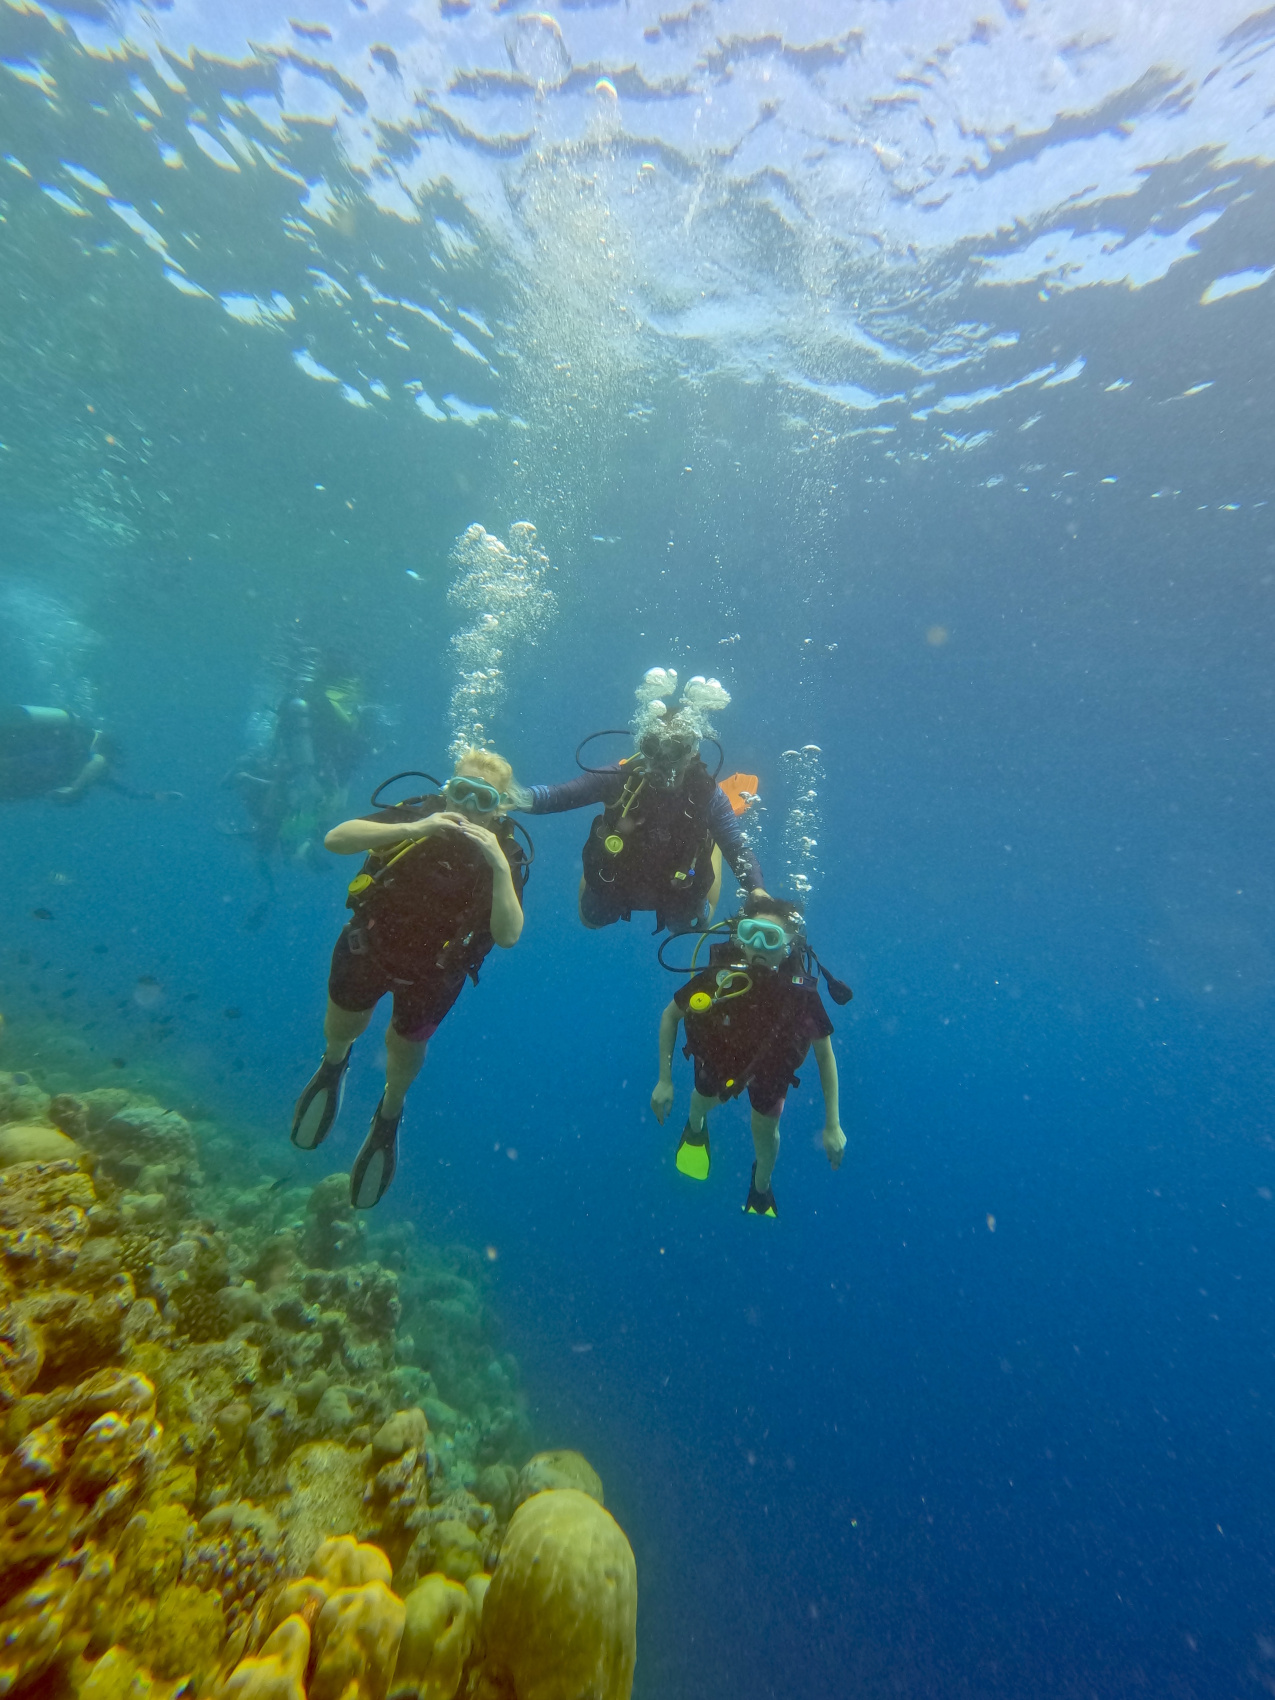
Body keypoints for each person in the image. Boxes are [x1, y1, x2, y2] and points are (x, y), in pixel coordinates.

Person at [290, 748, 528, 1210]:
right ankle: (333, 1064)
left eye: (483, 800)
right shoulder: (419, 812)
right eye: (461, 793)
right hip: (369, 947)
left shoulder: (508, 853)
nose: (466, 809)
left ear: (499, 808)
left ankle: (389, 1113)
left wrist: (499, 864)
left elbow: (509, 935)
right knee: (343, 1026)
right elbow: (336, 839)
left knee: (403, 1049)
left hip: (435, 975)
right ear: (447, 789)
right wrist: (414, 828)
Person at [521, 668, 767, 934]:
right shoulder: (620, 778)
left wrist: (757, 890)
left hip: (681, 876)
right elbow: (562, 795)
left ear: (692, 752)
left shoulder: (707, 794)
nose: (662, 761)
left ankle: (712, 837)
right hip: (621, 871)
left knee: (689, 926)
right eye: (652, 748)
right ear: (641, 745)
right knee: (590, 919)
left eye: (674, 750)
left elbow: (737, 847)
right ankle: (711, 828)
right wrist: (515, 798)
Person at [650, 894, 847, 1218]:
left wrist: (833, 1126)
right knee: (700, 1102)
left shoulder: (800, 993)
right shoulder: (718, 976)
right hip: (718, 1056)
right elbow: (670, 1016)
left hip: (770, 1068)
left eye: (769, 937)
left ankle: (760, 1186)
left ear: (787, 946)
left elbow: (825, 1057)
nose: (757, 944)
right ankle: (696, 1130)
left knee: (765, 1133)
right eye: (750, 933)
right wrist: (664, 1080)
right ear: (739, 936)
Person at [0, 705, 170, 803]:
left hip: (21, 750)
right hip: (25, 755)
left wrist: (154, 795)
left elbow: (128, 792)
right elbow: (98, 762)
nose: (113, 770)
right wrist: (75, 789)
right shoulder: (100, 747)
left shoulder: (92, 762)